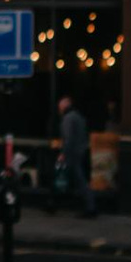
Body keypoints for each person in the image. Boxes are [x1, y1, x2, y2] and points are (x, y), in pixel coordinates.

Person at [57, 84, 92, 212]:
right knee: (75, 179)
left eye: (60, 106)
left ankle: (89, 207)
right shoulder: (78, 116)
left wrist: (63, 153)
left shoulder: (68, 118)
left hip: (73, 154)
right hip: (80, 151)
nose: (59, 109)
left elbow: (68, 138)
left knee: (76, 179)